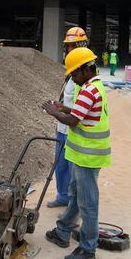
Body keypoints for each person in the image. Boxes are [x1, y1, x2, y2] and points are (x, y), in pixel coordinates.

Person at [42, 47, 111, 259]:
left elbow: (73, 121)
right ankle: (63, 231)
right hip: (82, 154)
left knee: (88, 203)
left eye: (73, 74)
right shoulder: (92, 87)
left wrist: (54, 112)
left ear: (84, 69)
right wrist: (64, 106)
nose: (73, 78)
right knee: (76, 194)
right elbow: (81, 112)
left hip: (88, 157)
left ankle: (88, 248)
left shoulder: (90, 90)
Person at [47, 27, 89, 209]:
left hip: (73, 128)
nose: (68, 49)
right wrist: (61, 106)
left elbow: (82, 109)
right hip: (62, 126)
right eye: (67, 46)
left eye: (71, 46)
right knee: (61, 165)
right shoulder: (71, 73)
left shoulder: (84, 75)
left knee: (73, 168)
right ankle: (63, 195)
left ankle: (73, 201)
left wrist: (61, 111)